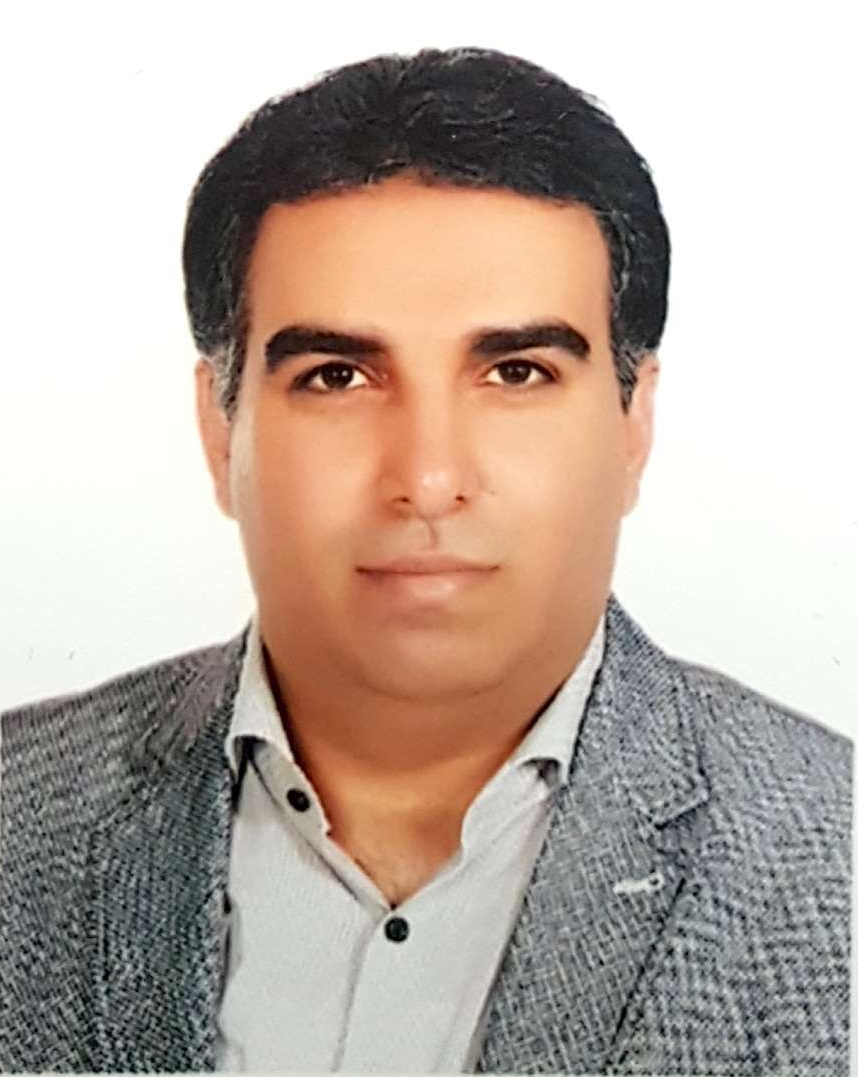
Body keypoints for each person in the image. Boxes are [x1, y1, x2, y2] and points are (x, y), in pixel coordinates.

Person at [0, 46, 850, 1076]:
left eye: (517, 372)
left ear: (634, 426)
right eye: (338, 376)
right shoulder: (20, 815)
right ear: (220, 433)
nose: (430, 478)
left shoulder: (832, 859)